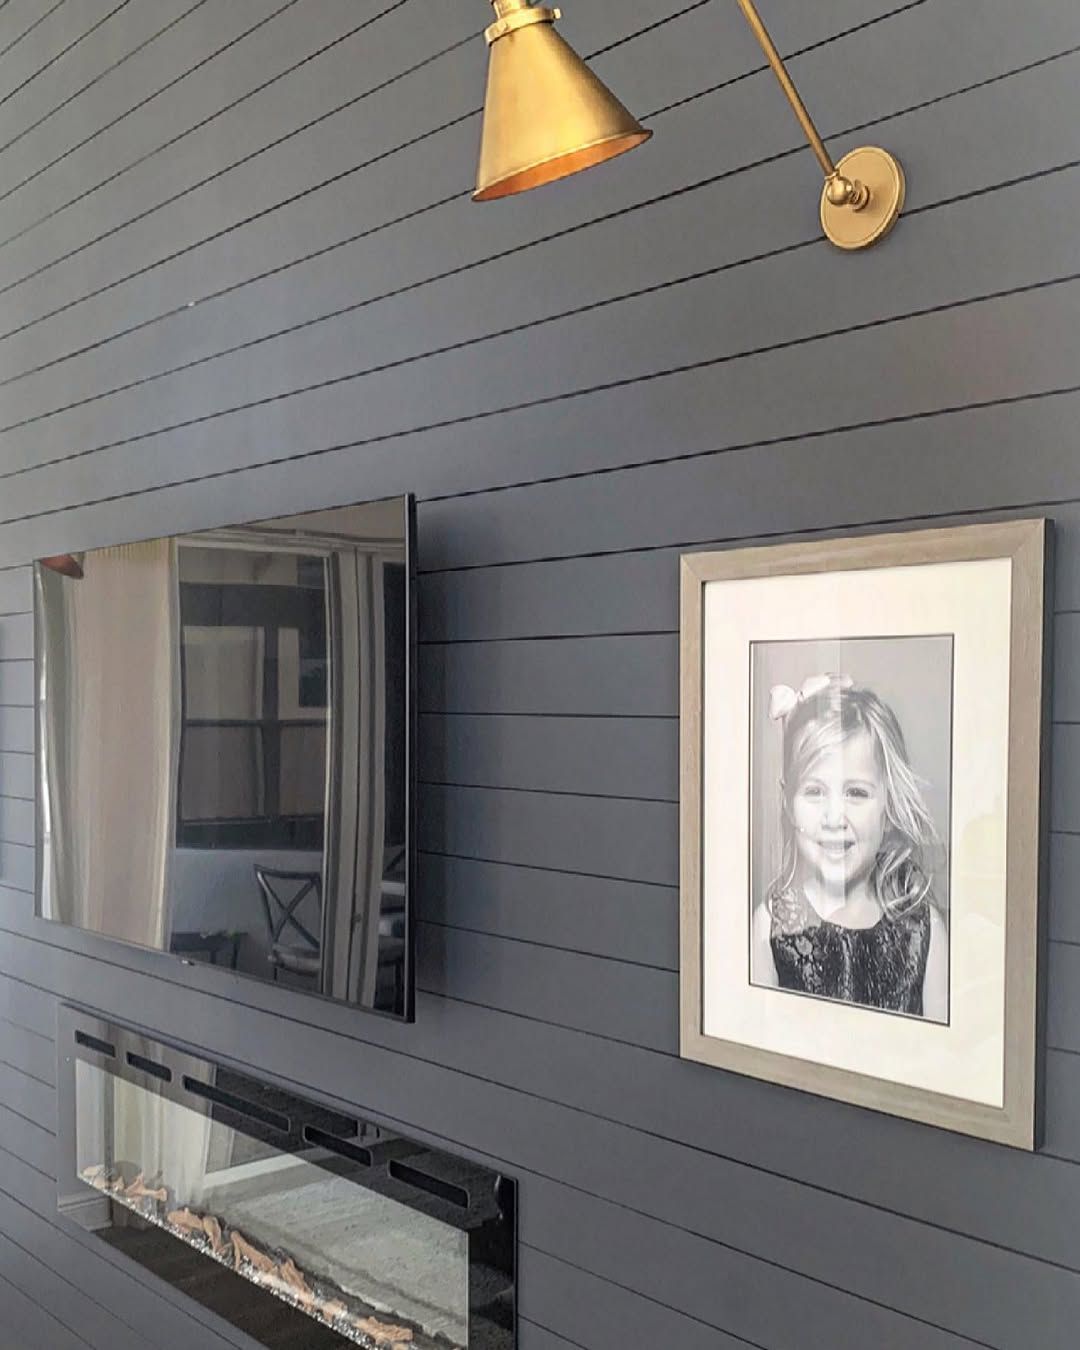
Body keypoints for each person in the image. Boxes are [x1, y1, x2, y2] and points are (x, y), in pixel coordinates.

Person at [751, 673, 948, 1021]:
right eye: (814, 792)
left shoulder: (924, 927)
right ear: (787, 803)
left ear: (889, 806)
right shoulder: (772, 923)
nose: (833, 817)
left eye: (856, 793)